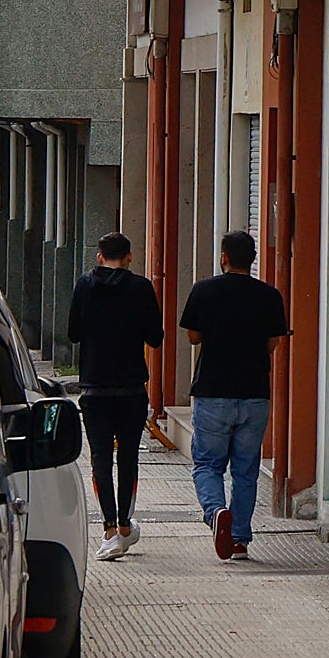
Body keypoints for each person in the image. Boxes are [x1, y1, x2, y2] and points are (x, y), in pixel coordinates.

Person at [180, 231, 287, 560]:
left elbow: (193, 337)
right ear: (252, 259)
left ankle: (215, 513)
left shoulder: (204, 290)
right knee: (245, 470)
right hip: (254, 394)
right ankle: (238, 538)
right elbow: (273, 343)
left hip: (213, 392)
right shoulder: (269, 296)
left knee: (208, 464)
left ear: (224, 257)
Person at [68, 232, 164, 561]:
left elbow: (73, 333)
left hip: (94, 386)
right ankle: (125, 524)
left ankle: (108, 528)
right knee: (128, 458)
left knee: (99, 459)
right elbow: (156, 336)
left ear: (99, 257)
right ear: (130, 257)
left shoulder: (84, 285)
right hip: (131, 387)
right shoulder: (141, 288)